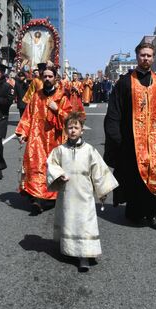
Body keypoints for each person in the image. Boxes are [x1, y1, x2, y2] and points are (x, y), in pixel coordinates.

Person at [104, 42, 156, 230]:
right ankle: (134, 211)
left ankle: (152, 214)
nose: (146, 58)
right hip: (132, 144)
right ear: (137, 56)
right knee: (135, 180)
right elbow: (114, 112)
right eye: (143, 55)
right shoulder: (125, 82)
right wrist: (117, 138)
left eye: (149, 55)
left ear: (153, 58)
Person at [46, 113, 118, 271]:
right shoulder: (59, 150)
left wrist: (102, 190)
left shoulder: (90, 150)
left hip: (84, 193)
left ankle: (84, 255)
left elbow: (98, 170)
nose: (72, 130)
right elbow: (51, 164)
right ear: (65, 130)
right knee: (69, 220)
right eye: (70, 127)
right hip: (68, 193)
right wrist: (59, 175)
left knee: (85, 221)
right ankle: (69, 249)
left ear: (82, 130)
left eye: (76, 127)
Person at [16, 64, 71, 214]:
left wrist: (57, 109)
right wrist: (23, 133)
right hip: (37, 139)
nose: (47, 79)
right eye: (44, 76)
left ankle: (49, 198)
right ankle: (36, 198)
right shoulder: (36, 96)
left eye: (50, 76)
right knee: (35, 167)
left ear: (55, 78)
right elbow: (27, 116)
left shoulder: (62, 97)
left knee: (52, 168)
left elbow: (70, 120)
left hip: (55, 140)